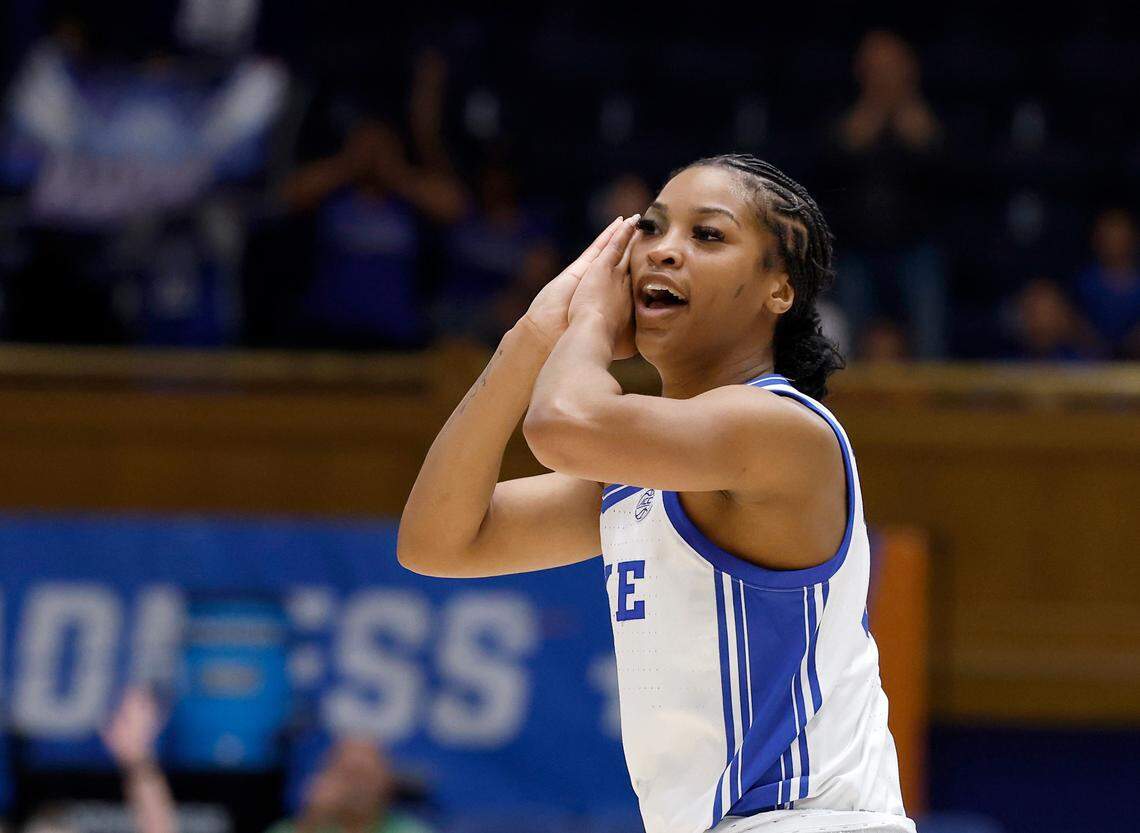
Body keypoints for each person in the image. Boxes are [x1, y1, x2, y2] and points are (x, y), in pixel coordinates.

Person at [398, 154, 913, 833]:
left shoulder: (782, 430)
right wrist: (530, 335)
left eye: (707, 236)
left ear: (778, 290)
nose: (663, 251)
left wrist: (582, 322)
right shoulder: (643, 472)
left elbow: (562, 423)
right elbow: (437, 540)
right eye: (651, 228)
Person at [822, 30, 947, 359]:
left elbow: (948, 173)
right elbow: (829, 165)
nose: (884, 75)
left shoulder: (927, 116)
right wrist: (872, 112)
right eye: (875, 66)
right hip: (856, 247)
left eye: (891, 66)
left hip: (916, 246)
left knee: (929, 342)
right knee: (850, 343)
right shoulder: (845, 113)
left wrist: (911, 118)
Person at [265, 739, 432, 833]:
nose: (358, 787)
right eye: (349, 775)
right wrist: (311, 820)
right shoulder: (294, 828)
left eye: (367, 776)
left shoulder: (412, 830)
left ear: (387, 783)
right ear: (326, 777)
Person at [1073, 208, 1140, 359]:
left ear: (1132, 239)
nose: (1113, 243)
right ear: (1096, 239)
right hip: (1089, 360)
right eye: (1108, 237)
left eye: (1119, 237)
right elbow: (1075, 323)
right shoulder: (1085, 282)